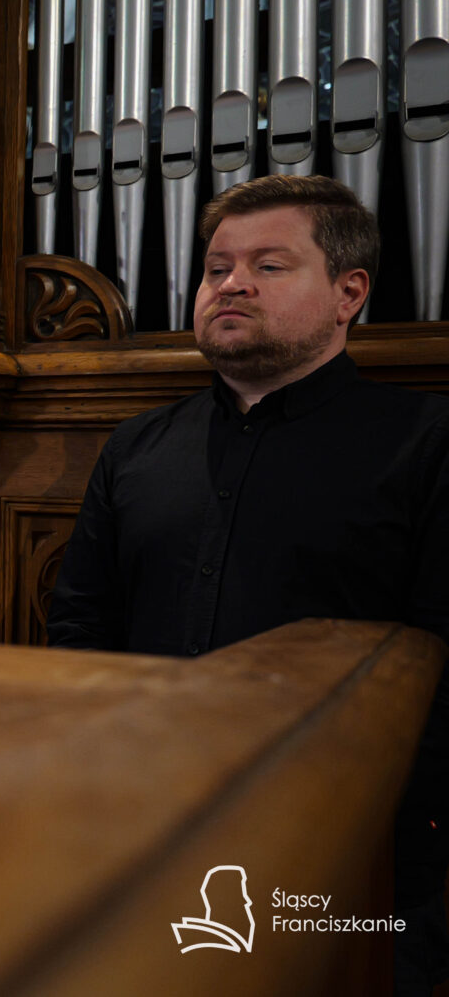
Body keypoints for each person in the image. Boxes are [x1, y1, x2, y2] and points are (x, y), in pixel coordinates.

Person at [48, 174, 449, 992]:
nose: (230, 284)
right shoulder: (137, 447)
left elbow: (439, 654)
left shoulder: (426, 442)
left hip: (350, 853)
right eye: (217, 268)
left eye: (269, 266)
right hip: (143, 831)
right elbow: (81, 632)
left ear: (348, 294)